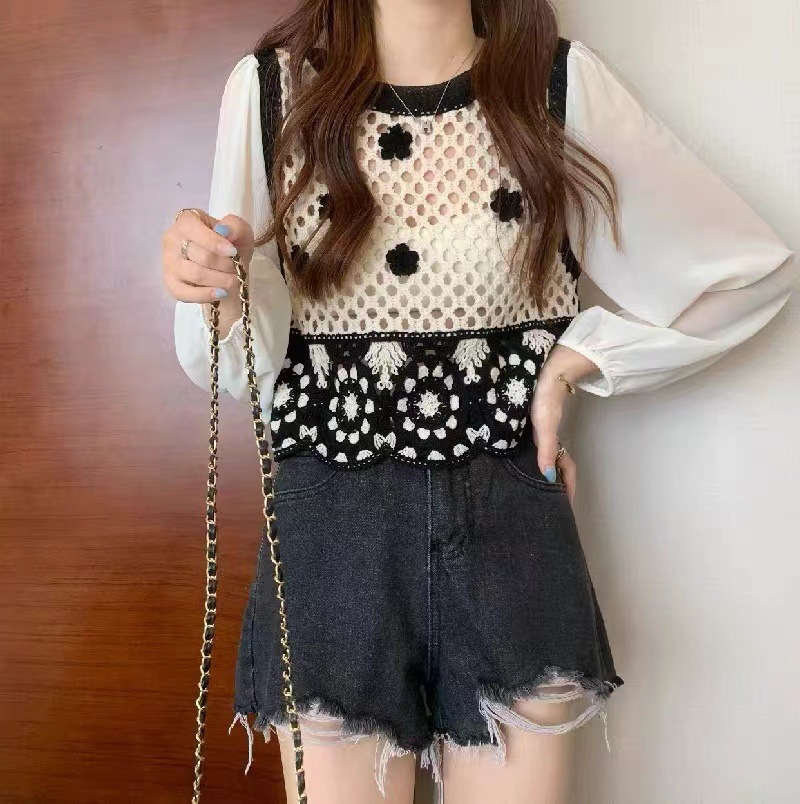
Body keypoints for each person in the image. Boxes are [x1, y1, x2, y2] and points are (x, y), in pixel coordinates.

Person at [164, 1, 795, 802]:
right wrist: (207, 284)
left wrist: (580, 360)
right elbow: (233, 360)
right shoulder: (271, 93)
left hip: (510, 527)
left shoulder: (555, 87)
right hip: (330, 533)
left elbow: (748, 272)